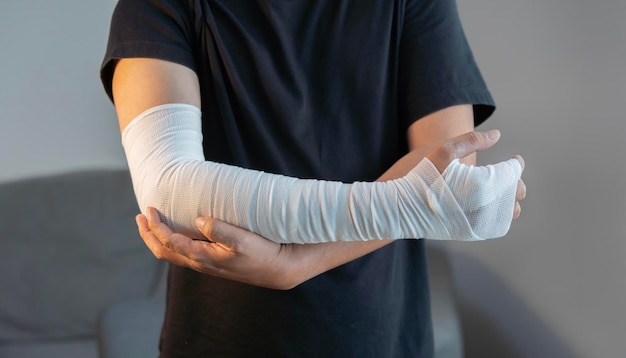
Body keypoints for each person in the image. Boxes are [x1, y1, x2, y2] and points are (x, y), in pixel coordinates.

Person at [100, 0, 526, 356]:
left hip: (379, 333)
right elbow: (170, 189)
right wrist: (415, 204)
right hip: (220, 337)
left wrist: (298, 264)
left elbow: (448, 171)